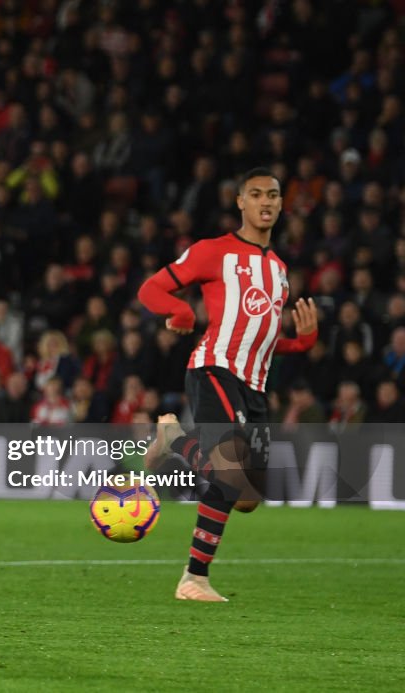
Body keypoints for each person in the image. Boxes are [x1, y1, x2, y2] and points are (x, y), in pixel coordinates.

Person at [137, 168, 318, 602]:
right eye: (256, 194)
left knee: (247, 498)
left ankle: (175, 440)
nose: (266, 202)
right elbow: (151, 289)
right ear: (240, 202)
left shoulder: (279, 269)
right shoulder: (212, 251)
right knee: (229, 474)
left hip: (254, 386)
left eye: (273, 195)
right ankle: (193, 579)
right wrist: (179, 313)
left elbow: (264, 339)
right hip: (214, 369)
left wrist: (303, 342)